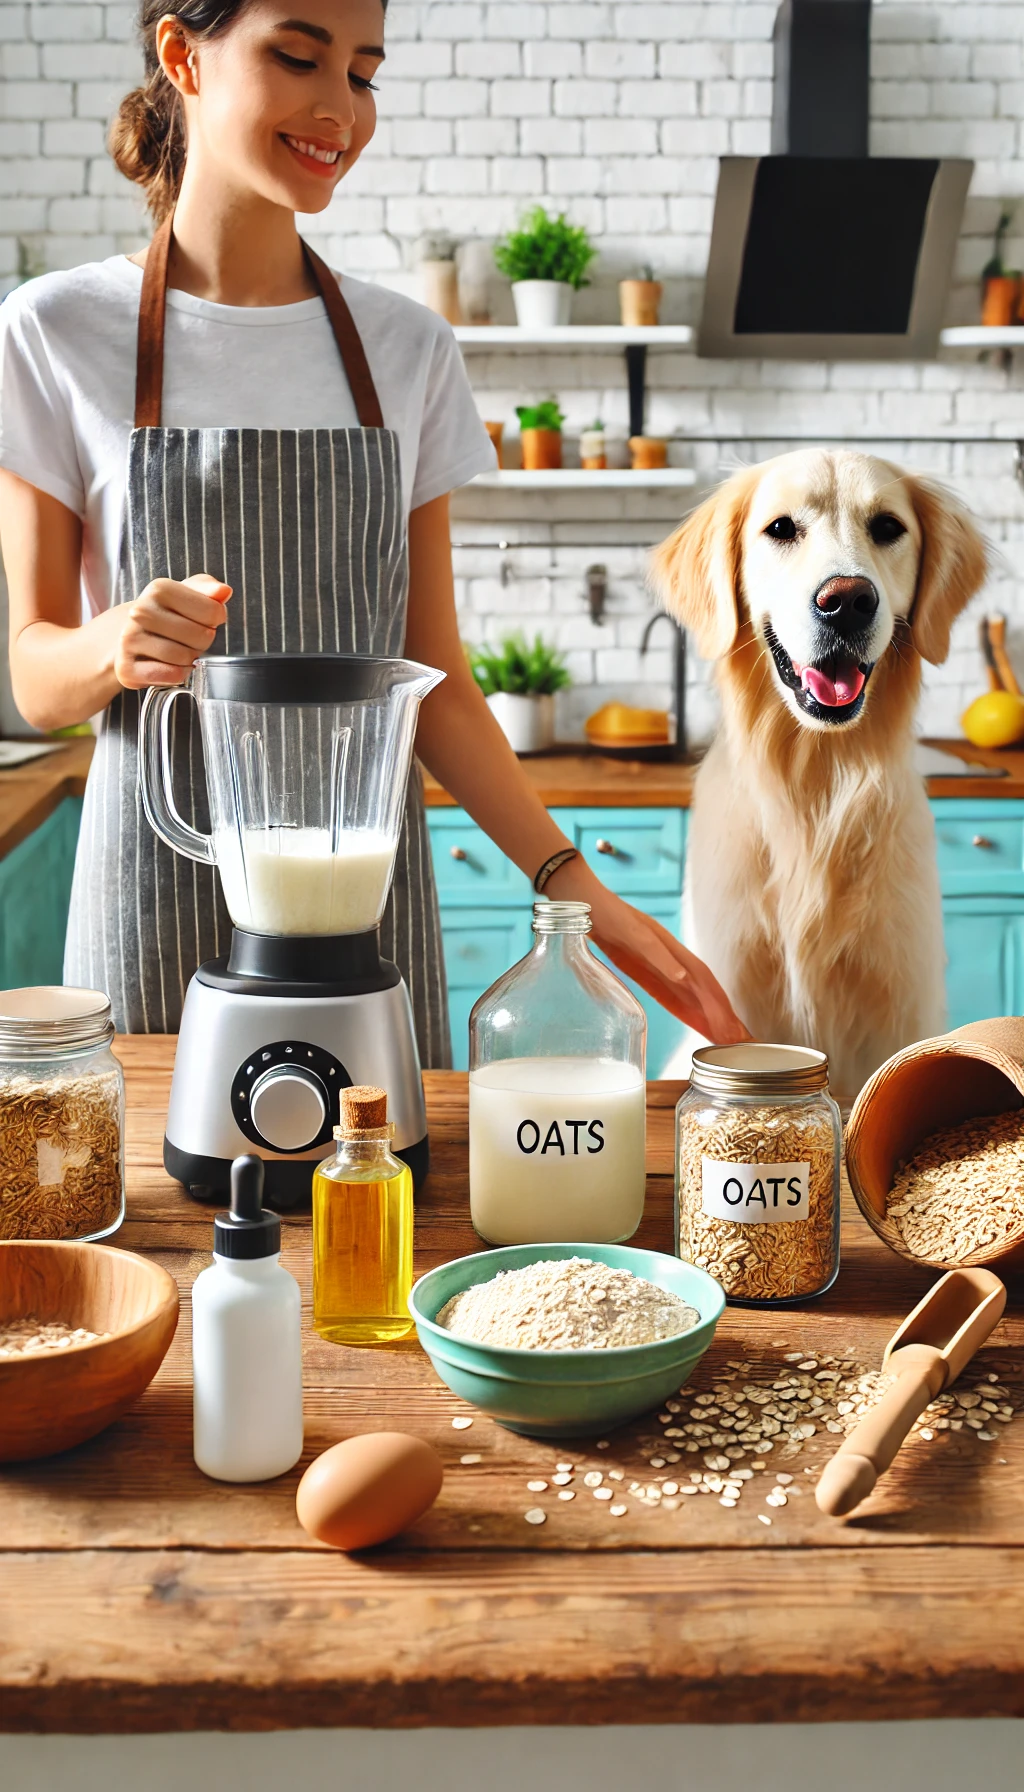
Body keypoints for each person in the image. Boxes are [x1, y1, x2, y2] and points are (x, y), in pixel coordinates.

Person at [0, 0, 748, 1062]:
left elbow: (432, 676)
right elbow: (36, 674)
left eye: (363, 72)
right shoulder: (54, 331)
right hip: (151, 885)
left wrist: (585, 905)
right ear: (183, 55)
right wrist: (112, 642)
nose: (338, 109)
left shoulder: (408, 349)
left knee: (381, 1207)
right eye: (299, 56)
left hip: (363, 903)